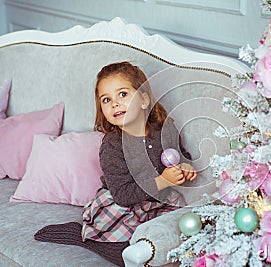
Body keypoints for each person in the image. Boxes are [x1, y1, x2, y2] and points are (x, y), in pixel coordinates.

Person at [34, 61, 197, 266]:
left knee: (180, 215)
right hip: (123, 203)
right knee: (119, 217)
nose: (115, 103)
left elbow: (180, 155)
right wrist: (163, 181)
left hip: (158, 200)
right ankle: (87, 238)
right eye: (106, 99)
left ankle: (138, 243)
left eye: (123, 94)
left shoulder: (166, 129)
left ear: (144, 100)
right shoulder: (112, 147)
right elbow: (122, 195)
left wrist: (185, 167)